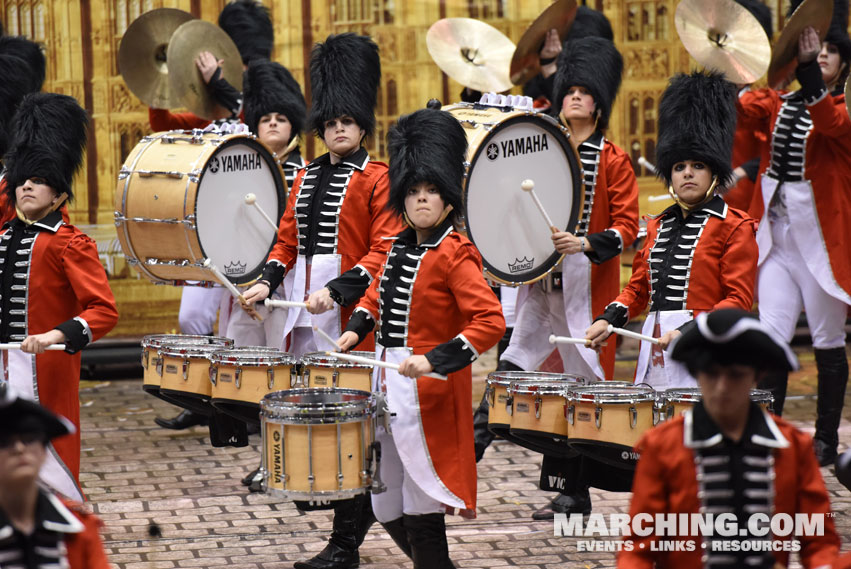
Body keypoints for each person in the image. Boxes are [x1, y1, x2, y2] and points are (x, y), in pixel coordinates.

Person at [241, 33, 401, 569]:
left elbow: (382, 250)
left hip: (352, 314)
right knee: (325, 421)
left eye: (347, 123)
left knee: (352, 425)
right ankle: (349, 522)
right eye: (330, 123)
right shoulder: (306, 175)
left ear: (361, 127)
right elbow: (287, 241)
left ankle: (347, 541)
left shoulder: (377, 178)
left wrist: (336, 293)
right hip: (302, 314)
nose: (337, 130)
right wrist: (266, 280)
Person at [475, 35, 639, 518]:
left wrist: (585, 242)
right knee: (511, 369)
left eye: (584, 93)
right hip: (539, 288)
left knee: (576, 392)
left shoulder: (613, 159)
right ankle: (472, 452)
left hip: (584, 296)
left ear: (599, 103)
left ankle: (574, 493)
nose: (574, 98)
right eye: (569, 90)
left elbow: (627, 227)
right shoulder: (541, 147)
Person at [338, 108, 505, 569]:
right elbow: (373, 300)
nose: (422, 200)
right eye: (413, 192)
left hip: (428, 395)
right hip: (386, 384)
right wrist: (354, 332)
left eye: (432, 191)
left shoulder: (456, 254)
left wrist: (435, 360)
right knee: (384, 503)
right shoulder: (394, 249)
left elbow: (488, 320)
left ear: (449, 199)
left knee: (421, 500)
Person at [617, 309, 840, 569]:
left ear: (756, 377)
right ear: (697, 374)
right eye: (712, 374)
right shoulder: (662, 445)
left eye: (735, 375)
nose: (722, 387)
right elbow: (637, 548)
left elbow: (820, 545)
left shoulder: (793, 446)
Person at [586, 70, 758, 390]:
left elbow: (738, 299)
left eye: (697, 166)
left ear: (714, 173)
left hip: (708, 348)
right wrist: (608, 319)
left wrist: (688, 331)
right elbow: (638, 290)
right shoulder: (658, 225)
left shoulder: (735, 226)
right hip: (653, 344)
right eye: (679, 167)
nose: (687, 174)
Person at [735, 7, 851, 466]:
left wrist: (806, 71)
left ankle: (824, 439)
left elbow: (831, 125)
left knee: (827, 339)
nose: (821, 54)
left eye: (829, 51)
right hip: (777, 239)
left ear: (843, 63)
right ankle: (768, 432)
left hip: (821, 244)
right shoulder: (778, 103)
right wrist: (737, 67)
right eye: (816, 49)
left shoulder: (842, 108)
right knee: (771, 335)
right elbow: (744, 113)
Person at [153, 0, 275, 431]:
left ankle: (240, 403)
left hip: (250, 236)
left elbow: (255, 119)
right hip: (208, 238)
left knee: (244, 325)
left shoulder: (260, 102)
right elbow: (163, 125)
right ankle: (205, 400)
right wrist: (164, 77)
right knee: (193, 319)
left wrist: (223, 84)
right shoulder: (203, 117)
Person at [0, 92, 119, 502]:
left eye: (39, 179)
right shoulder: (2, 237)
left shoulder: (70, 244)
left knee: (47, 459)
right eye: (22, 179)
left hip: (43, 372)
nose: (27, 185)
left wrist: (53, 337)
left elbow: (103, 311)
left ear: (60, 194)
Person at [0, 386, 111, 568]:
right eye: (4, 442)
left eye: (30, 438)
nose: (19, 448)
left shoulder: (79, 527)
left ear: (44, 452)